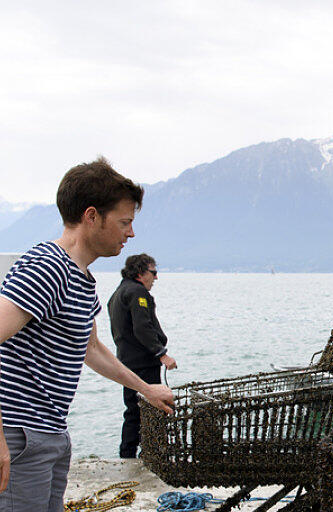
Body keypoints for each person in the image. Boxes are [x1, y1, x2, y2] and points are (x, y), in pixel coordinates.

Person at [0, 157, 175, 511]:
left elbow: (91, 348)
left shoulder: (81, 279)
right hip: (19, 437)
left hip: (50, 436)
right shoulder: (48, 267)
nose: (131, 233)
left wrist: (145, 389)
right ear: (92, 216)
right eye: (125, 222)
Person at [108, 253, 177, 459]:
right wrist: (161, 354)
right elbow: (142, 328)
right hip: (143, 362)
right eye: (153, 272)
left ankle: (127, 455)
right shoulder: (138, 293)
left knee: (133, 410)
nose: (156, 278)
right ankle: (154, 455)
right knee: (152, 408)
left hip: (127, 362)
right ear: (140, 273)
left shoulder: (119, 292)